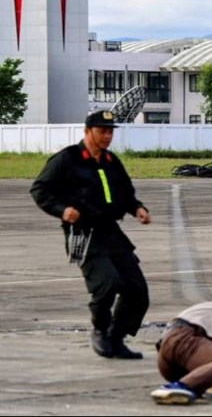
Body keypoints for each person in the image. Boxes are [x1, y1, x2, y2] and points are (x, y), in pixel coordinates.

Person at [30, 110, 151, 359]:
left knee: (137, 290)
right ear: (87, 131)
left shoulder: (111, 161)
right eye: (102, 131)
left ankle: (116, 338)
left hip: (111, 232)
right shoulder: (68, 159)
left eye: (110, 132)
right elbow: (40, 189)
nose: (107, 136)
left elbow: (126, 193)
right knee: (107, 283)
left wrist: (137, 208)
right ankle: (100, 330)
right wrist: (62, 211)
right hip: (84, 233)